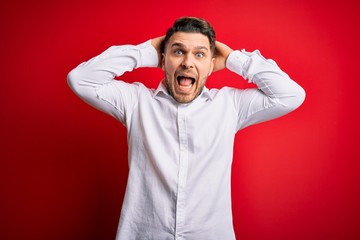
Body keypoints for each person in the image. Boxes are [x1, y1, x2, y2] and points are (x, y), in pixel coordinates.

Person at [67, 17, 305, 240]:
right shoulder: (136, 101)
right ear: (163, 60)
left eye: (199, 55)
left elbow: (291, 95)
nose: (188, 62)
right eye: (178, 51)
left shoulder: (230, 105)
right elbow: (80, 79)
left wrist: (233, 58)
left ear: (212, 65)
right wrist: (147, 52)